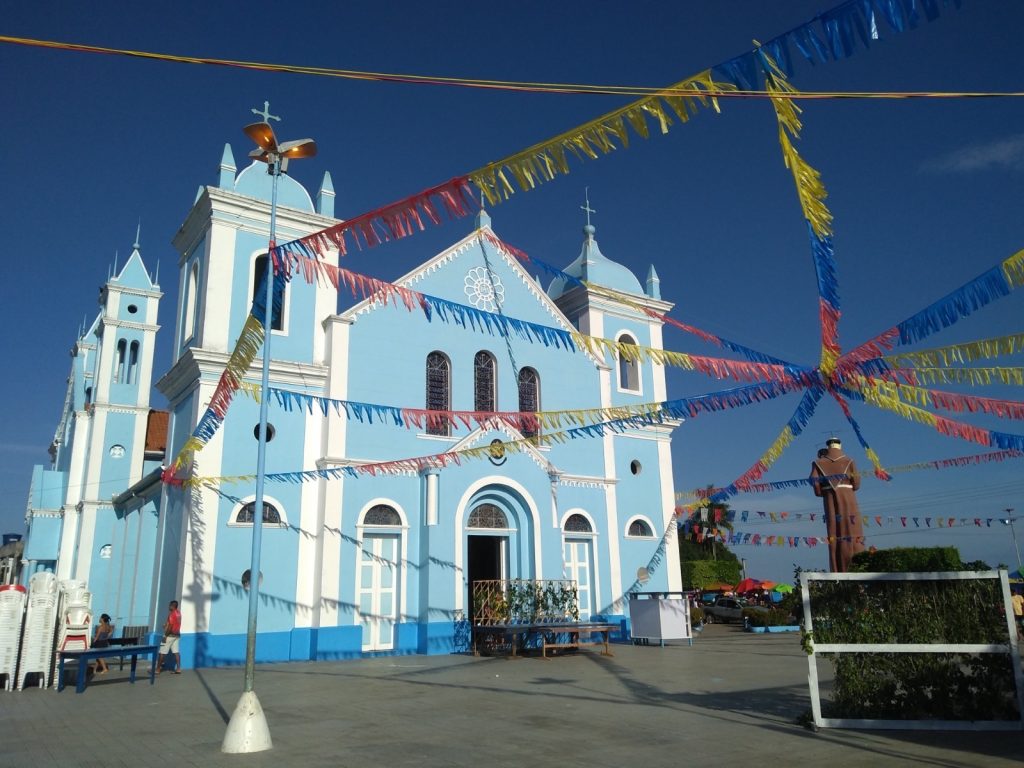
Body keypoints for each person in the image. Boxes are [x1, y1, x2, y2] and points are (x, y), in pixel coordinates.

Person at [810, 437, 865, 573]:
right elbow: (856, 483)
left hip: (829, 498)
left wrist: (822, 491)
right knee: (854, 531)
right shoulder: (849, 460)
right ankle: (857, 567)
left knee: (834, 533)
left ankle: (837, 569)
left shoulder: (818, 463)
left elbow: (815, 483)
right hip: (848, 496)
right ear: (839, 446)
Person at [156, 600, 182, 675]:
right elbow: (174, 624)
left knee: (162, 652)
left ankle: (157, 669)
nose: (169, 607)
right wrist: (166, 626)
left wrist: (165, 636)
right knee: (176, 652)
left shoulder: (171, 614)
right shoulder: (179, 613)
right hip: (177, 635)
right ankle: (178, 669)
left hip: (169, 635)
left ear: (172, 606)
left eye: (170, 605)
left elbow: (170, 626)